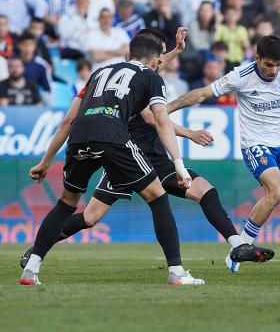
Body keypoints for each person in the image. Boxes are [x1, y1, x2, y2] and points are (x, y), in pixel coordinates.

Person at [19, 28, 274, 272]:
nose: (163, 59)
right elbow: (153, 118)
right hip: (127, 155)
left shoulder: (124, 74)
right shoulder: (140, 83)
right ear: (153, 56)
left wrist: (177, 50)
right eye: (162, 54)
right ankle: (41, 247)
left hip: (150, 157)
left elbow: (151, 64)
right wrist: (189, 133)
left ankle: (238, 245)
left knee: (205, 191)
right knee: (90, 217)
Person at [20, 32, 201, 286]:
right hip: (112, 136)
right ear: (156, 61)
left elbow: (67, 121)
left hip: (80, 136)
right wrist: (179, 165)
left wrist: (46, 161)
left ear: (129, 54)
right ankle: (177, 272)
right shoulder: (151, 76)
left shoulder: (98, 73)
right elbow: (161, 120)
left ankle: (31, 269)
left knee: (66, 204)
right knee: (158, 197)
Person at [167, 35, 280, 272]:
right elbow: (201, 94)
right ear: (257, 58)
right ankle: (240, 247)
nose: (274, 71)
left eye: (278, 65)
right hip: (256, 144)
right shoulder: (241, 76)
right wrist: (166, 109)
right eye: (268, 65)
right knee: (277, 190)